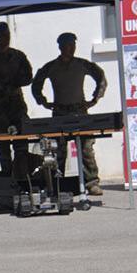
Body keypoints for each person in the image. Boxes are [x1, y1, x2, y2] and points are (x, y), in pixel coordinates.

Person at [31, 32, 107, 195]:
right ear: (60, 47)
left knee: (86, 149)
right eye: (67, 45)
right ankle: (57, 183)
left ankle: (91, 182)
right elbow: (36, 83)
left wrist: (95, 98)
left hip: (80, 111)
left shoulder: (82, 64)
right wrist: (42, 101)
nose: (70, 49)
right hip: (60, 112)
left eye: (73, 45)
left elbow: (100, 77)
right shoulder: (51, 67)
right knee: (58, 150)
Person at [0, 21, 33, 182]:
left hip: (17, 105)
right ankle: (7, 181)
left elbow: (28, 77)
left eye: (7, 34)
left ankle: (23, 180)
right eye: (3, 35)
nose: (6, 38)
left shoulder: (18, 56)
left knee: (21, 146)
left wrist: (12, 82)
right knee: (3, 148)